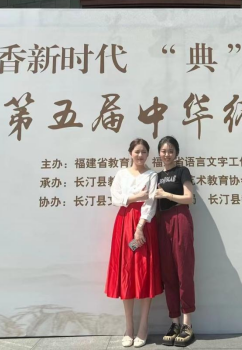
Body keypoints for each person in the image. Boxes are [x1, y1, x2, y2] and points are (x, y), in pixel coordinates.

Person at [105, 139, 163, 348]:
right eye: (137, 151)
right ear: (130, 153)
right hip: (123, 223)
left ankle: (143, 327)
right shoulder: (121, 174)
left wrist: (140, 227)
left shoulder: (152, 175)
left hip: (143, 224)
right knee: (126, 272)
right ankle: (129, 327)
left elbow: (150, 203)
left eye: (144, 152)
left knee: (144, 273)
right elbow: (115, 198)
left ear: (148, 154)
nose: (140, 155)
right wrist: (135, 196)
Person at [154, 136, 196, 347]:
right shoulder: (157, 176)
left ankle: (187, 324)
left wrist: (166, 194)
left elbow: (189, 198)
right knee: (168, 273)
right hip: (163, 223)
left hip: (180, 217)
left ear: (176, 153)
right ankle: (174, 323)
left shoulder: (182, 171)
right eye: (164, 150)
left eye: (171, 151)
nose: (167, 154)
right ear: (159, 153)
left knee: (183, 271)